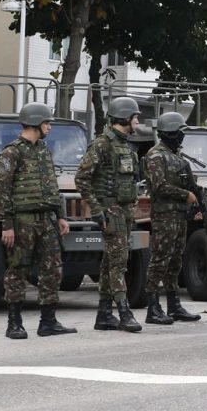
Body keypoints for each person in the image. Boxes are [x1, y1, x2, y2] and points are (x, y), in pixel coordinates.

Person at [0, 102, 76, 339]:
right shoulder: (12, 152)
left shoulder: (43, 150)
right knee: (18, 269)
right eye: (46, 122)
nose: (49, 127)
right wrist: (7, 225)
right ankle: (14, 323)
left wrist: (60, 216)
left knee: (52, 269)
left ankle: (48, 321)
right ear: (35, 123)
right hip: (23, 221)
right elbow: (2, 191)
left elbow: (52, 186)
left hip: (47, 221)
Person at [75, 96, 142, 333]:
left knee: (108, 264)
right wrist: (97, 209)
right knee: (118, 263)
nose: (137, 121)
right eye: (135, 116)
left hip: (123, 212)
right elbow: (82, 178)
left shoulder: (126, 145)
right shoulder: (102, 144)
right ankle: (124, 312)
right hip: (110, 211)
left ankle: (104, 314)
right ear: (124, 117)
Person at [142, 112, 202, 324]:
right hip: (164, 216)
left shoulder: (176, 156)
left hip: (178, 215)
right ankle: (153, 307)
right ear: (170, 133)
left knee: (175, 260)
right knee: (160, 259)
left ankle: (174, 305)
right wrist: (185, 195)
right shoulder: (155, 155)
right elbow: (159, 187)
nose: (182, 136)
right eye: (179, 132)